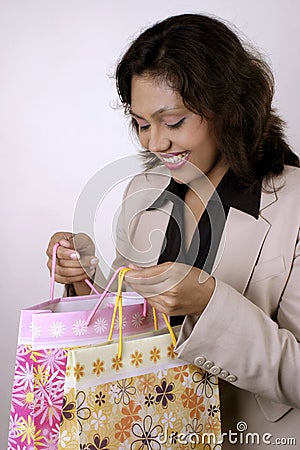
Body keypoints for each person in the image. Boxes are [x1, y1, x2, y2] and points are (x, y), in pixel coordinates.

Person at [46, 14, 300, 448]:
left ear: (230, 106)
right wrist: (85, 281)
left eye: (174, 121)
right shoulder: (143, 188)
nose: (154, 144)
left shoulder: (293, 202)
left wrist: (212, 302)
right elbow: (136, 334)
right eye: (142, 124)